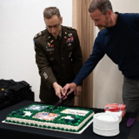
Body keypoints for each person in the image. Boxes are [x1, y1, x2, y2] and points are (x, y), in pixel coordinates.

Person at [63, 0, 139, 112]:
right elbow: (91, 61)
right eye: (93, 20)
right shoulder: (102, 38)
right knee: (130, 118)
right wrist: (75, 82)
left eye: (97, 19)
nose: (95, 24)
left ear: (109, 13)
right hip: (130, 81)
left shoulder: (133, 20)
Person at [33, 7, 82, 105]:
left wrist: (78, 82)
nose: (53, 30)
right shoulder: (40, 40)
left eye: (56, 26)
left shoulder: (71, 35)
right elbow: (43, 67)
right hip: (49, 91)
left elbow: (78, 60)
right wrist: (54, 85)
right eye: (49, 27)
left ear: (61, 19)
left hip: (69, 89)